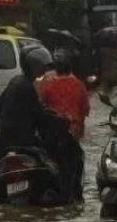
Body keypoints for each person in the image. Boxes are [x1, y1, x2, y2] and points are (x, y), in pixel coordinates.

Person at [0, 45, 53, 204]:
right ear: (34, 66)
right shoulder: (26, 87)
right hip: (22, 143)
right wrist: (56, 121)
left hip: (1, 145)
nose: (44, 71)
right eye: (42, 67)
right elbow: (40, 117)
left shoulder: (15, 81)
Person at [36, 50, 89, 201]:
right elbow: (85, 110)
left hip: (51, 136)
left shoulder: (47, 85)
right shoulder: (79, 85)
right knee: (76, 171)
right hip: (71, 136)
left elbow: (40, 106)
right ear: (71, 67)